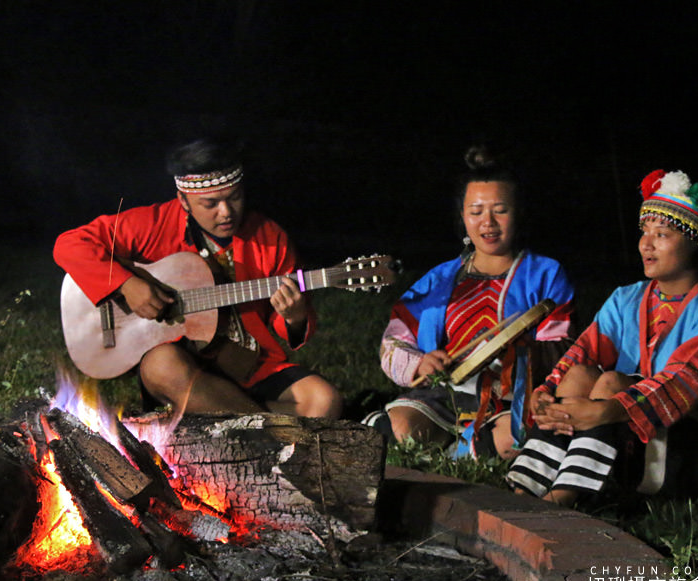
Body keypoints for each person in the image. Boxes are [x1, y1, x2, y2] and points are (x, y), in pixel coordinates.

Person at [507, 169, 698, 506]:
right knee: (577, 375)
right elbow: (583, 352)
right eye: (644, 232)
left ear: (695, 242)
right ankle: (528, 489)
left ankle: (565, 498)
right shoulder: (627, 298)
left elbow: (680, 384)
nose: (646, 244)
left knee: (609, 383)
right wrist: (547, 391)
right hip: (624, 426)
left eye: (662, 234)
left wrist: (606, 410)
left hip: (692, 441)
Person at [54, 137, 343, 418]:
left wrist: (294, 316)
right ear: (183, 199)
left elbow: (286, 327)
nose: (226, 212)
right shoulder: (153, 224)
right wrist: (126, 284)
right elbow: (69, 244)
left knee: (323, 401)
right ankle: (273, 430)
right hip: (182, 368)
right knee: (162, 367)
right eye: (210, 204)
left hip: (247, 365)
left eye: (235, 198)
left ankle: (231, 419)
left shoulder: (270, 237)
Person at [365, 146, 576, 459]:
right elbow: (393, 341)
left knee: (513, 438)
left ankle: (459, 452)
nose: (487, 222)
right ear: (463, 218)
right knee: (397, 427)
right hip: (442, 395)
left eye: (500, 210)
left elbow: (563, 348)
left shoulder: (546, 274)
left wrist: (519, 356)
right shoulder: (438, 280)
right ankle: (463, 446)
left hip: (507, 400)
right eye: (476, 212)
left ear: (518, 212)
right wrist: (420, 363)